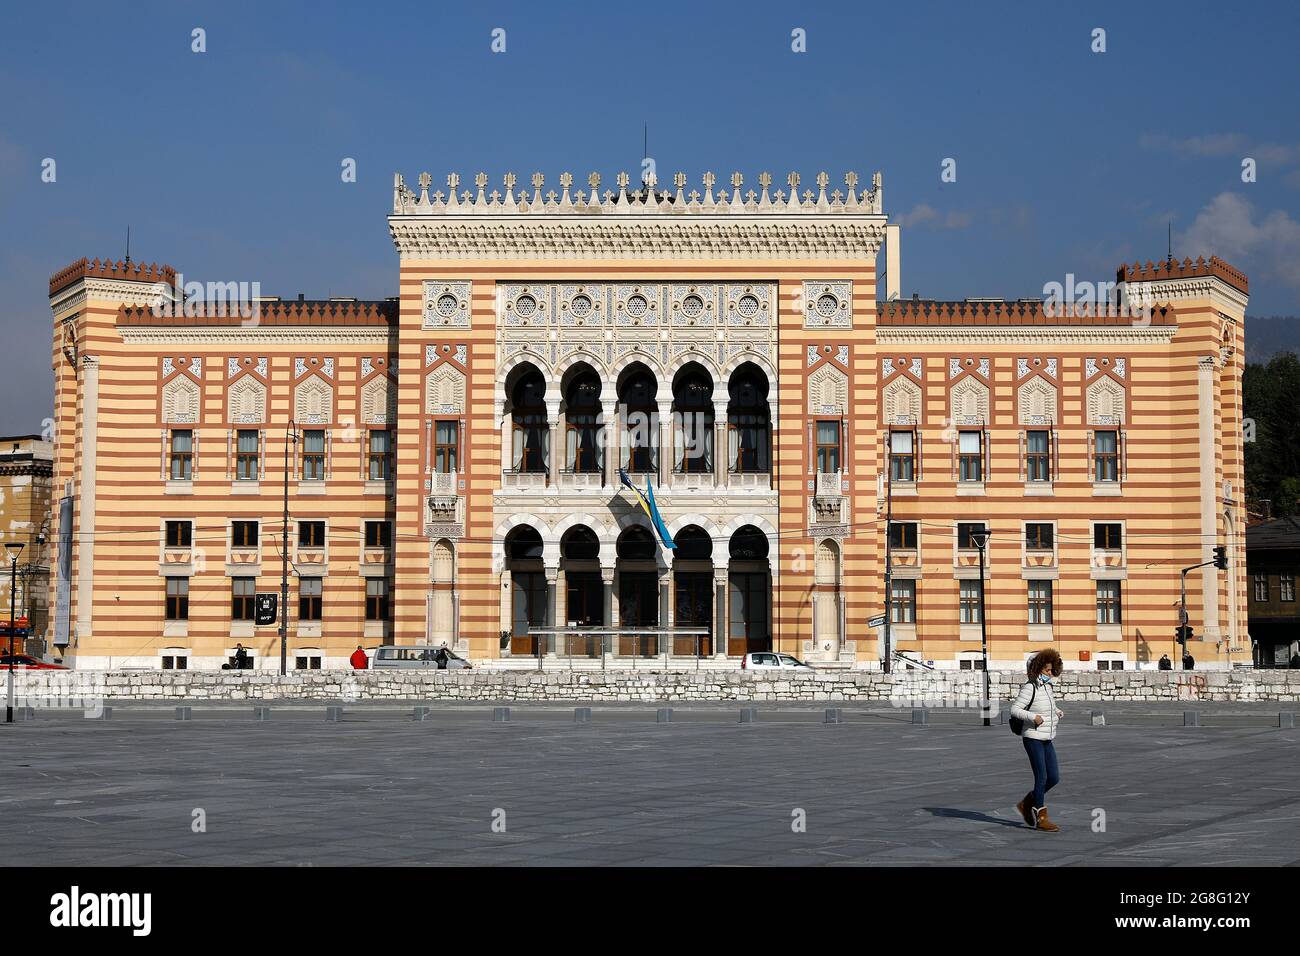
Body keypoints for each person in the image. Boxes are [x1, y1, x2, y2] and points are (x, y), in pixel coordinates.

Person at [1011, 648, 1065, 832]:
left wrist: (1056, 711)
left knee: (1054, 777)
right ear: (1037, 669)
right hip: (1033, 737)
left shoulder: (1048, 686)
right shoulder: (1029, 687)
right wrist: (1033, 717)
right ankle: (1041, 817)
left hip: (1047, 737)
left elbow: (1049, 705)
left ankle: (1027, 802)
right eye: (1047, 670)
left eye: (1052, 670)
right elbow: (1015, 709)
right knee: (1041, 777)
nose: (1050, 674)